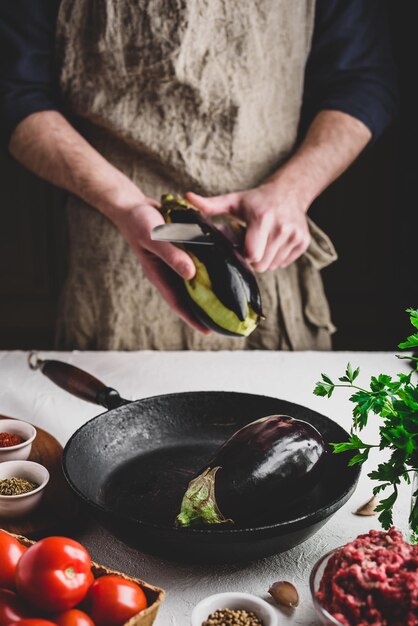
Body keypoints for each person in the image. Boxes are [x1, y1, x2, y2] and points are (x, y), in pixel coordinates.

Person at [0, 1, 397, 350]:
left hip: (267, 254)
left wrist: (292, 191)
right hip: (114, 262)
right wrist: (123, 203)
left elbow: (363, 80)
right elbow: (15, 92)